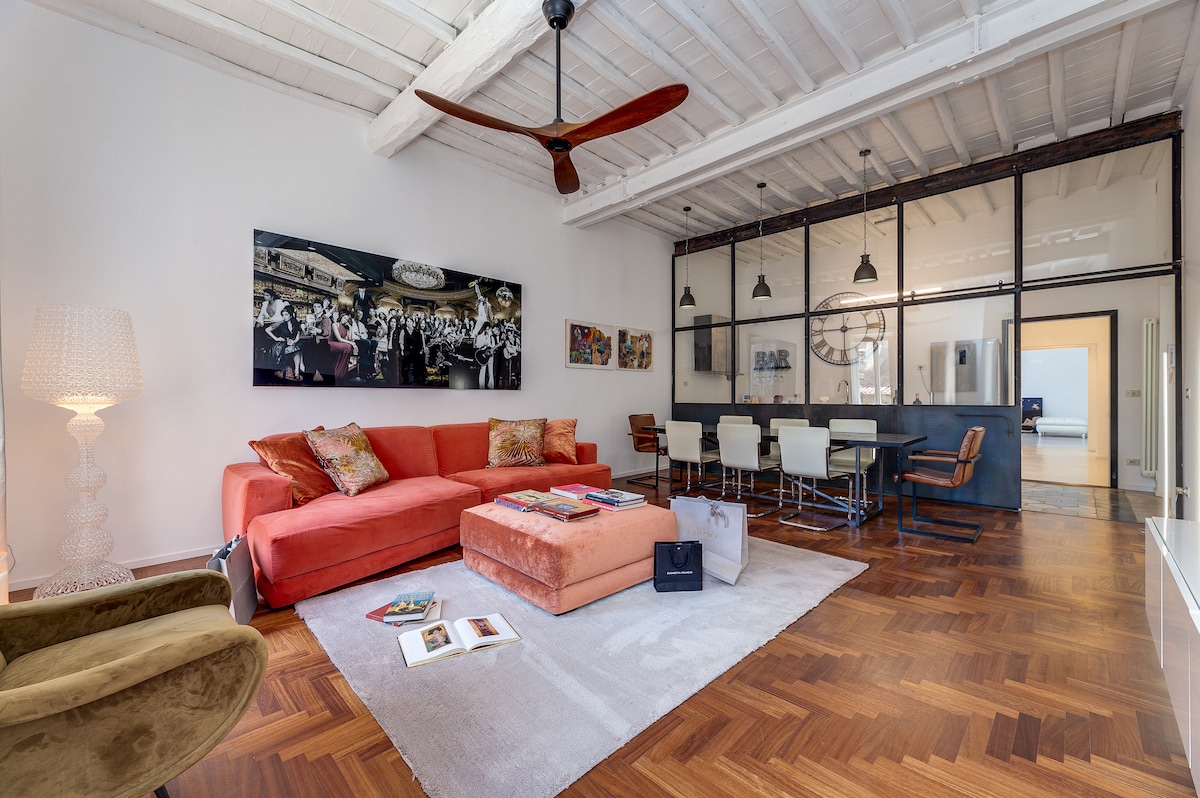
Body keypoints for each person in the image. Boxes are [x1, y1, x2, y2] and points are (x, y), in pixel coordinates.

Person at [266, 304, 303, 381]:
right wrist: (276, 338)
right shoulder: (280, 323)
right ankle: (297, 371)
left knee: (296, 348)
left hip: (291, 343)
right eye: (283, 315)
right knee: (297, 350)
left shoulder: (296, 324)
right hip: (281, 345)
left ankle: (296, 371)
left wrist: (293, 341)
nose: (284, 317)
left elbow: (297, 337)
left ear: (291, 315)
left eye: (286, 314)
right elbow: (267, 329)